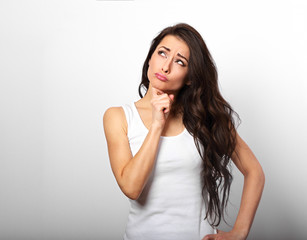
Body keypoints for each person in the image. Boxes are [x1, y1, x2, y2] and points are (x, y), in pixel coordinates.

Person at [103, 23, 265, 240]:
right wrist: (157, 125)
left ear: (190, 77)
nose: (166, 66)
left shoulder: (207, 118)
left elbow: (254, 171)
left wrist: (239, 233)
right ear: (150, 58)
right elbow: (131, 188)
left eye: (180, 61)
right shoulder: (118, 117)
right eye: (162, 53)